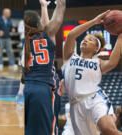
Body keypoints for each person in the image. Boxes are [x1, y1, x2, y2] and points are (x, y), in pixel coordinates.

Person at [62, 10, 122, 135]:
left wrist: (120, 37)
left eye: (90, 40)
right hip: (75, 106)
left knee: (108, 129)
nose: (85, 40)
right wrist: (94, 21)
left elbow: (112, 62)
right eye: (84, 38)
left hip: (94, 99)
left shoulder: (98, 63)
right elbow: (71, 36)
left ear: (96, 48)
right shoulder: (70, 57)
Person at [24, 0, 66, 134]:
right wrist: (60, 3)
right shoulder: (46, 36)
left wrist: (43, 7)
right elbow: (53, 21)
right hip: (43, 88)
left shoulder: (23, 40)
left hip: (25, 88)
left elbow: (44, 25)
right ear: (38, 24)